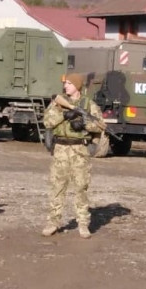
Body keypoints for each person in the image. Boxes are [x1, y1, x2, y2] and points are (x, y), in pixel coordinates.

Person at [42, 73, 103, 239]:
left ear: (77, 85)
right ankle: (53, 222)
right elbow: (47, 122)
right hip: (61, 148)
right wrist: (64, 115)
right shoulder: (58, 102)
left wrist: (83, 124)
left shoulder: (88, 104)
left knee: (81, 188)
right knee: (57, 187)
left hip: (79, 150)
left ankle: (83, 224)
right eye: (65, 83)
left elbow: (100, 125)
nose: (65, 86)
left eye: (69, 83)